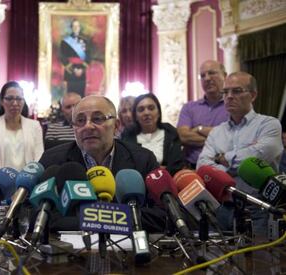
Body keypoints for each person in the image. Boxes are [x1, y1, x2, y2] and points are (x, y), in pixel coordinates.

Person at [39, 95, 164, 231]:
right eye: (80, 120)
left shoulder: (143, 159)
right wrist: (115, 217)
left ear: (116, 125)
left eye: (97, 119)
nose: (88, 126)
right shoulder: (52, 160)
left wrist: (94, 218)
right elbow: (35, 214)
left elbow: (163, 216)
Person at [197, 72, 283, 235]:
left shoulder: (269, 124)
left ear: (253, 95)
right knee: (220, 258)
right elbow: (202, 166)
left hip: (259, 208)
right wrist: (237, 162)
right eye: (225, 92)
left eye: (236, 91)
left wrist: (223, 158)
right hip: (222, 208)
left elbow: (257, 157)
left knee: (262, 259)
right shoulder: (216, 132)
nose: (228, 97)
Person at [0, 81, 44, 198]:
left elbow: (39, 156)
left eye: (19, 99)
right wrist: (5, 183)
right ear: (2, 101)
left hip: (26, 188)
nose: (15, 103)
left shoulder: (35, 126)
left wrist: (26, 183)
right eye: (9, 98)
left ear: (23, 101)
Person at [177, 60, 229, 168]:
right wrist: (218, 140)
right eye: (202, 75)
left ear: (224, 76)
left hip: (224, 169)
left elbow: (232, 139)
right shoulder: (189, 107)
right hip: (191, 169)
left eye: (212, 73)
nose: (207, 78)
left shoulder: (232, 106)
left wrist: (199, 129)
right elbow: (182, 136)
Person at [121, 94, 183, 176]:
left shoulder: (170, 133)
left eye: (151, 108)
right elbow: (127, 167)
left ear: (159, 112)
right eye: (141, 109)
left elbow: (176, 166)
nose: (146, 113)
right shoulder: (128, 136)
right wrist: (160, 169)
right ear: (135, 116)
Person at [60, 19, 91, 97]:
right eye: (74, 26)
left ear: (79, 28)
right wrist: (73, 69)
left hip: (82, 71)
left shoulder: (85, 41)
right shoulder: (65, 41)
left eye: (77, 26)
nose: (76, 28)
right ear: (71, 27)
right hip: (70, 71)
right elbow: (62, 56)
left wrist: (82, 69)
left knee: (81, 95)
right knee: (70, 95)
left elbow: (88, 56)